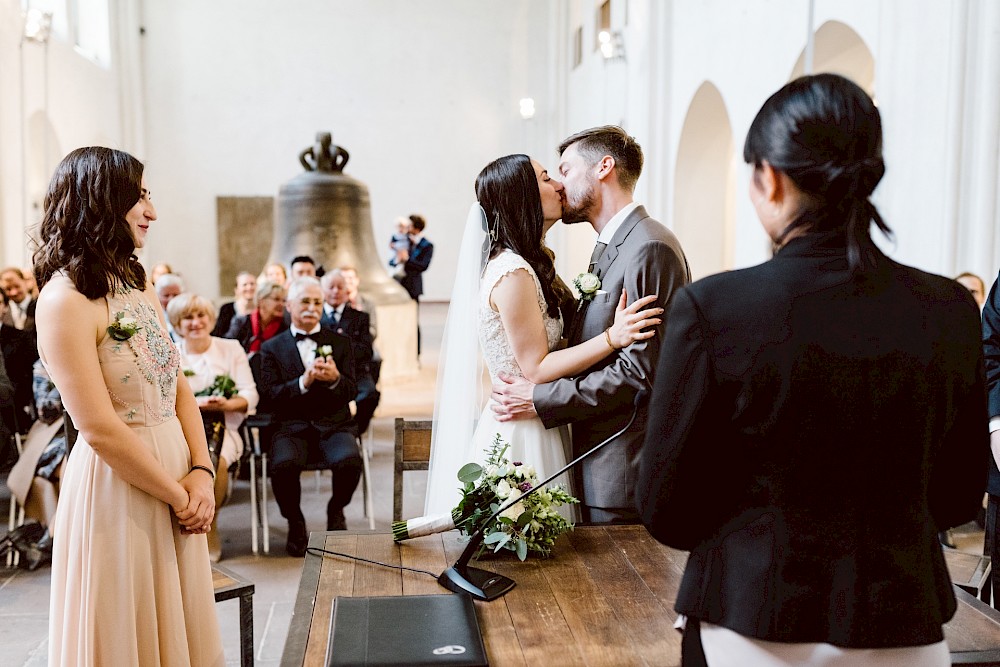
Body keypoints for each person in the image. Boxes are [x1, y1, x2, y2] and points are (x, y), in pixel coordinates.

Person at [635, 74, 986, 666]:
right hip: (901, 623)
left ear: (769, 177)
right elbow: (956, 494)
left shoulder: (714, 308)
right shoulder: (949, 310)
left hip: (749, 623)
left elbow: (665, 504)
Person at [33, 146, 223, 664]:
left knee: (177, 629)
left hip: (179, 470)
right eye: (139, 197)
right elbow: (97, 428)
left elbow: (176, 382)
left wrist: (202, 471)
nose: (152, 211)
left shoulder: (136, 282)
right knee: (125, 633)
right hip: (121, 485)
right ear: (101, 201)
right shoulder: (63, 300)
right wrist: (178, 497)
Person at [423, 154, 663, 516]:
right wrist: (612, 337)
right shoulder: (511, 272)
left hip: (542, 416)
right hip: (522, 429)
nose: (558, 185)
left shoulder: (532, 263)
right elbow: (535, 367)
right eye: (547, 177)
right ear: (523, 196)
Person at [491, 126, 691, 523]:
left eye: (564, 170)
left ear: (604, 167)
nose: (559, 184)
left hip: (622, 471)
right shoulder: (612, 247)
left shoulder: (647, 247)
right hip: (591, 462)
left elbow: (639, 375)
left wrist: (540, 399)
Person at [256, 277, 361, 556]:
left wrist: (337, 379)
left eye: (317, 302)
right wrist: (303, 382)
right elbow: (268, 396)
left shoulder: (340, 342)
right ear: (289, 305)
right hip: (291, 427)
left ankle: (336, 508)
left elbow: (354, 389)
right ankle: (295, 520)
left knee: (349, 461)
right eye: (305, 301)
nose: (312, 307)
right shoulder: (272, 348)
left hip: (334, 424)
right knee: (283, 465)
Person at [169, 292, 258, 562]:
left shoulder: (230, 348)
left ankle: (210, 525)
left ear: (211, 319)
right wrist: (195, 403)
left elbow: (250, 395)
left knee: (213, 462)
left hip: (223, 426)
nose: (196, 322)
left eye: (201, 316)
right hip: (180, 426)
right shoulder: (172, 352)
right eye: (188, 318)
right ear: (176, 324)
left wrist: (226, 404)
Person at [321, 269, 380, 434]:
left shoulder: (360, 317)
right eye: (331, 287)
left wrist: (340, 350)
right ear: (323, 290)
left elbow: (366, 350)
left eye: (340, 287)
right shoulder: (316, 318)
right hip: (324, 372)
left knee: (370, 394)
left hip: (355, 371)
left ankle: (355, 430)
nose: (335, 291)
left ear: (346, 290)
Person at [391, 214, 434, 354]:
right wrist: (397, 258)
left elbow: (423, 266)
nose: (406, 228)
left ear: (416, 228)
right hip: (399, 284)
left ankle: (415, 353)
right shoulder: (403, 241)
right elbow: (391, 261)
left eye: (409, 226)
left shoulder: (427, 245)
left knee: (413, 322)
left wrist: (407, 259)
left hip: (413, 287)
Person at [225, 279, 289, 355]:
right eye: (276, 299)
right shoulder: (241, 322)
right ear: (261, 300)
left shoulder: (285, 327)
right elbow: (227, 347)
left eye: (283, 300)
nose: (282, 304)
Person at [212, 271, 257, 337]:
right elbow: (217, 334)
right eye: (245, 284)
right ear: (236, 289)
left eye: (252, 284)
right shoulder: (226, 309)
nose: (249, 287)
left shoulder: (261, 310)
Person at [1, 266, 37, 332]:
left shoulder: (39, 306)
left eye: (17, 286)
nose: (14, 292)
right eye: (8, 289)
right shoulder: (3, 312)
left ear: (25, 282)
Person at [154, 272, 185, 341]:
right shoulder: (154, 316)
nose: (171, 299)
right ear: (157, 296)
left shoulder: (188, 314)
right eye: (166, 295)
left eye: (175, 295)